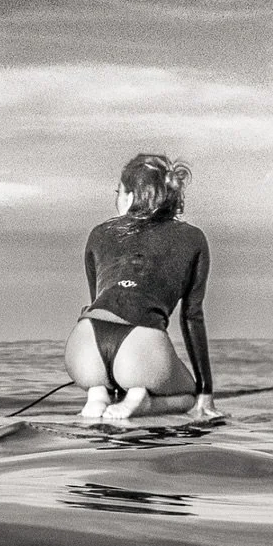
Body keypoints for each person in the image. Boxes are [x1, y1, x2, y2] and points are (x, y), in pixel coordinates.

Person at [64, 153, 221, 424]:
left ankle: (97, 394)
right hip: (140, 350)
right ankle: (143, 402)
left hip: (84, 347)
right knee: (188, 396)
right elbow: (191, 316)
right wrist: (206, 392)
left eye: (119, 191)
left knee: (102, 375)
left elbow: (100, 302)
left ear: (131, 196)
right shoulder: (193, 238)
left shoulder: (99, 233)